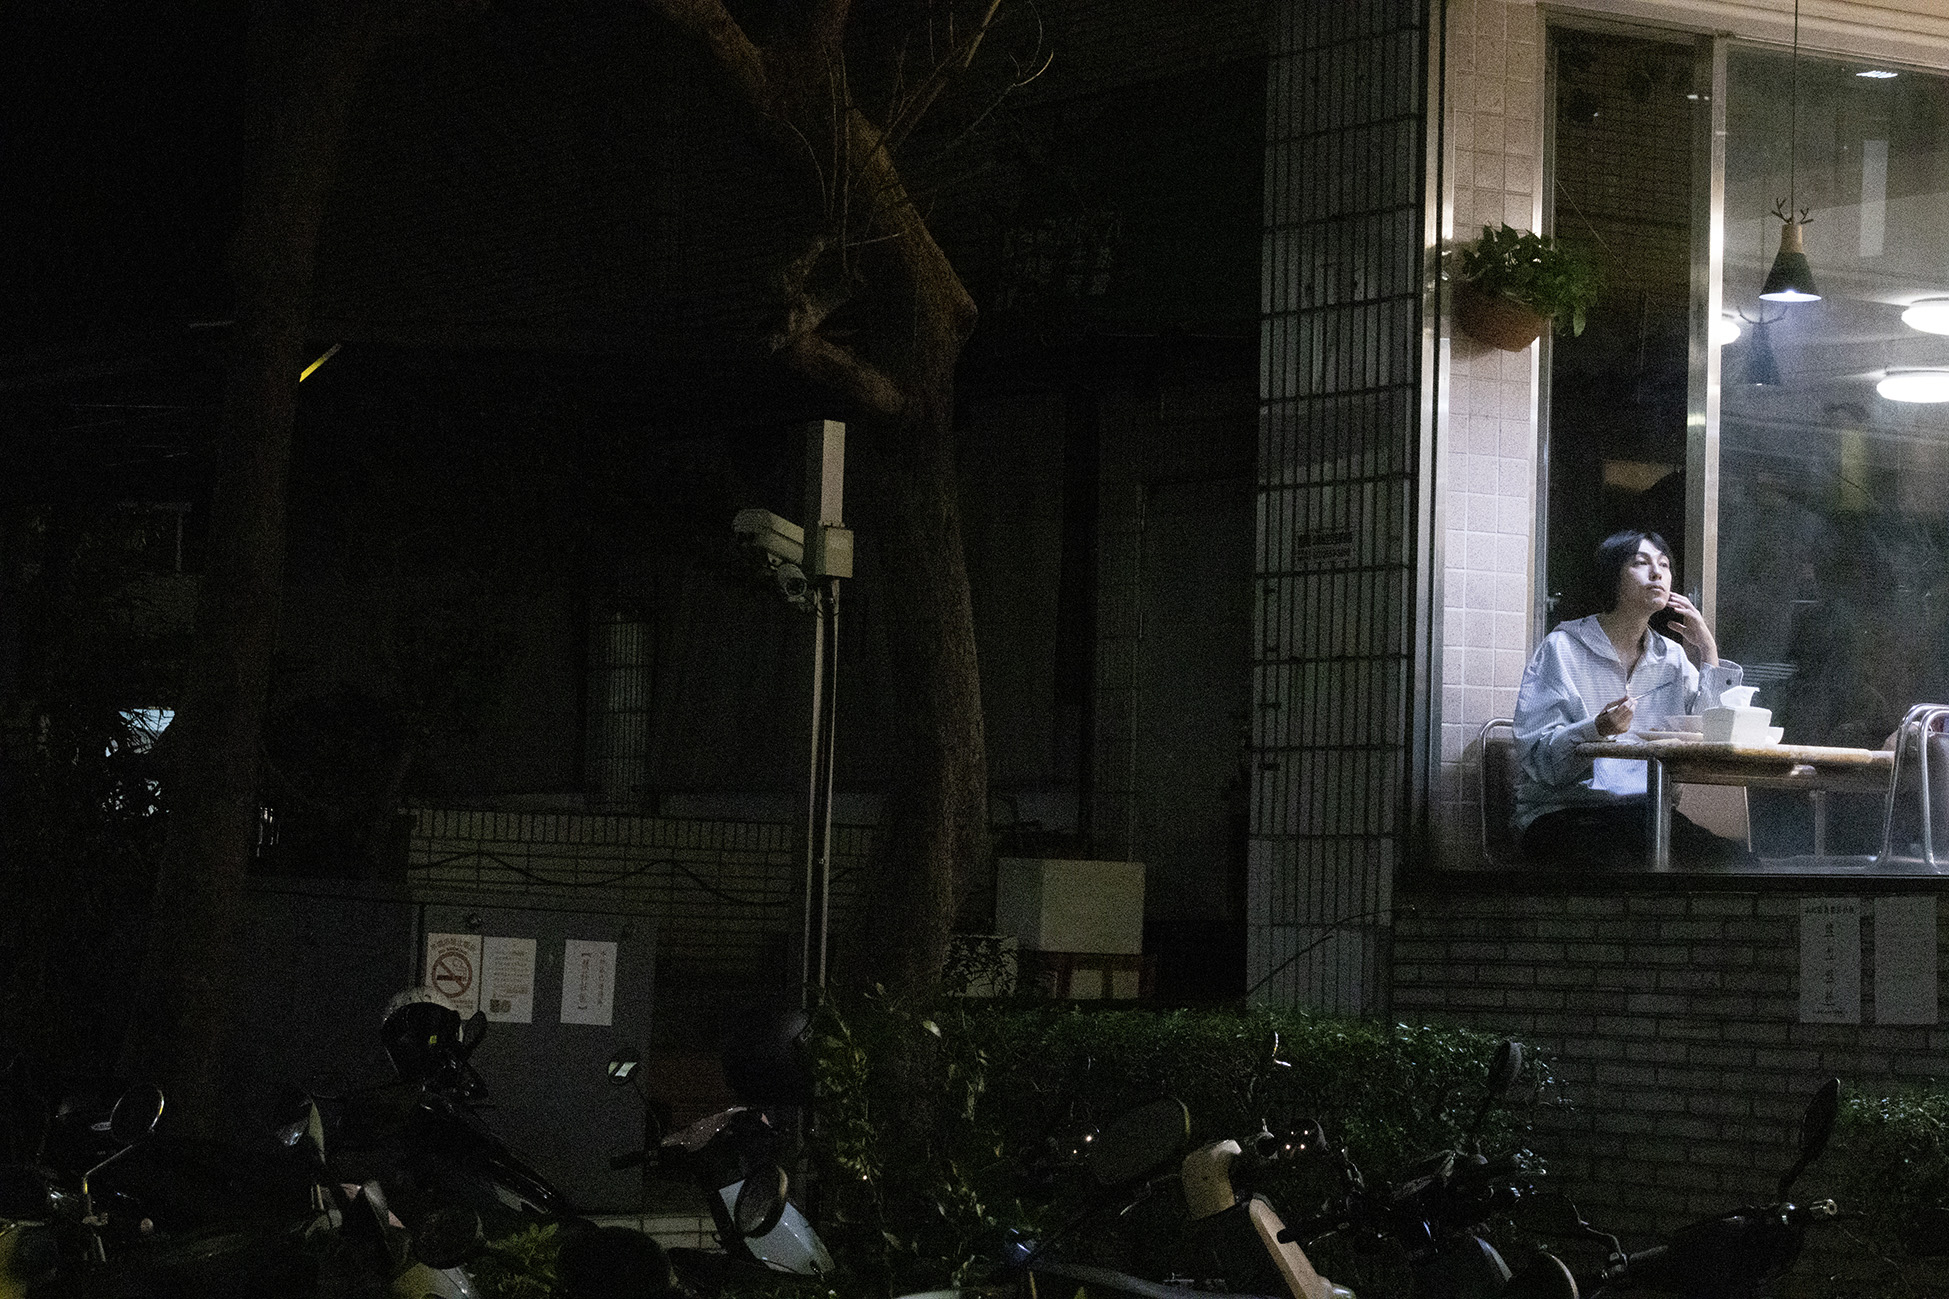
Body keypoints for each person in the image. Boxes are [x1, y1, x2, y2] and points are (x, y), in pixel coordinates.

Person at [1513, 529, 1753, 868]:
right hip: (1566, 812)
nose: (1657, 573)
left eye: (1664, 565)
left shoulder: (1671, 656)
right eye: (1641, 563)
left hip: (1647, 814)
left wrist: (1707, 650)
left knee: (1740, 865)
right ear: (1612, 577)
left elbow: (1709, 731)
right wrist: (1597, 728)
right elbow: (1540, 760)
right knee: (1626, 866)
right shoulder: (1562, 647)